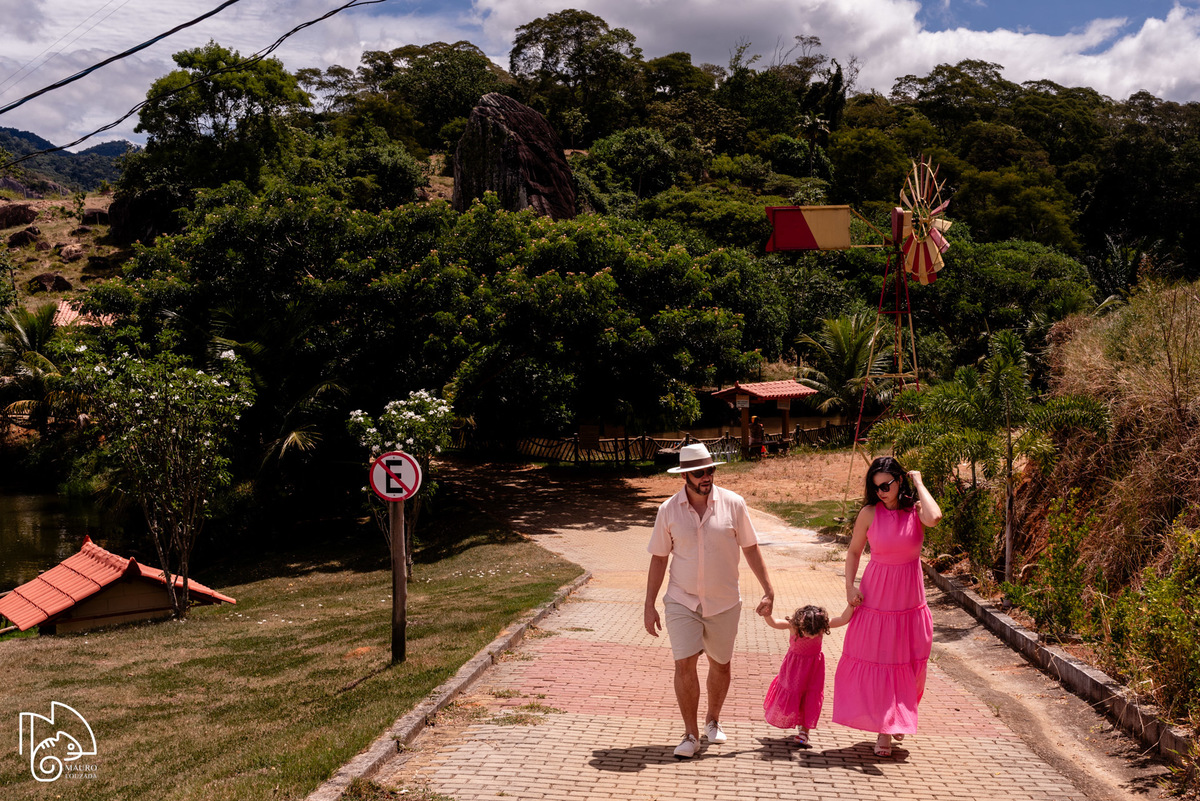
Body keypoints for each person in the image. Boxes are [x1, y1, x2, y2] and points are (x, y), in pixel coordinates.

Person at [645, 443, 776, 759]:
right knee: (684, 663)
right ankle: (690, 734)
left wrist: (768, 590)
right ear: (685, 476)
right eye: (699, 472)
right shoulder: (668, 510)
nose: (707, 476)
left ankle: (712, 720)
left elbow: (750, 547)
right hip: (682, 599)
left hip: (724, 601)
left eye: (710, 470)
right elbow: (659, 558)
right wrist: (649, 604)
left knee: (721, 663)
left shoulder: (734, 504)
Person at [832, 456, 942, 757]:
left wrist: (919, 482)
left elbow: (935, 517)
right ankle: (885, 727)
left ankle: (900, 714)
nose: (881, 491)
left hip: (909, 597)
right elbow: (854, 552)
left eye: (886, 485)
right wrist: (850, 587)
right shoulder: (869, 513)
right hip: (877, 595)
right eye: (876, 486)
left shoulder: (915, 511)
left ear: (899, 481)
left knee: (912, 662)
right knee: (881, 659)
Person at [760, 602, 854, 747]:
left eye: (815, 633)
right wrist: (767, 615)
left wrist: (851, 605)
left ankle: (804, 731)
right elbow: (775, 623)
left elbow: (842, 619)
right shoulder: (794, 625)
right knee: (794, 693)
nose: (810, 637)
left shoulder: (821, 624)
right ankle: (798, 721)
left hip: (814, 669)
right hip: (794, 668)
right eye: (807, 633)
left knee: (811, 696)